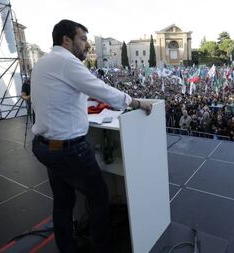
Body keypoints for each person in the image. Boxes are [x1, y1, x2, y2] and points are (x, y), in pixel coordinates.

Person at [31, 19, 152, 253]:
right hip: (68, 150)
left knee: (63, 203)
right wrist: (135, 102)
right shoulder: (67, 62)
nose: (87, 45)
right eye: (83, 39)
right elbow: (101, 89)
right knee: (99, 198)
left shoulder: (44, 62)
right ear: (67, 40)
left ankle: (67, 247)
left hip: (46, 147)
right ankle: (100, 247)